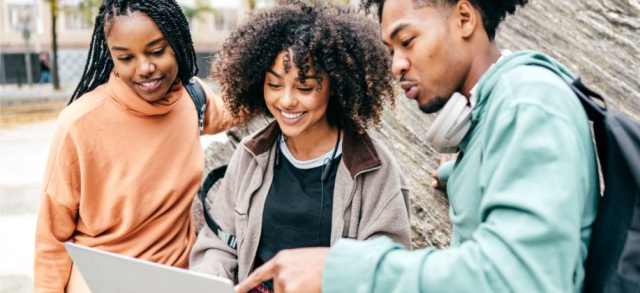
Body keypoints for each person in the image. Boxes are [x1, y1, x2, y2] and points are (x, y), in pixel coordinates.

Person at [236, 0, 600, 292]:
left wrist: (339, 271)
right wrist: (458, 174)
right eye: (390, 49)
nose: (396, 65)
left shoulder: (529, 104)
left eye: (407, 41)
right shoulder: (497, 119)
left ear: (463, 18)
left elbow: (521, 279)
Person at [189, 2, 411, 292]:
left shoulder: (375, 172)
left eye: (305, 88)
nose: (287, 101)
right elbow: (218, 246)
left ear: (336, 84)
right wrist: (211, 281)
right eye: (274, 85)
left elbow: (385, 274)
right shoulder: (250, 155)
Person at [33, 1, 238, 292]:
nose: (145, 68)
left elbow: (243, 108)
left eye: (156, 51)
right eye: (126, 57)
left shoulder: (192, 100)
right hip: (99, 282)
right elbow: (52, 235)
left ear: (178, 42)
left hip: (176, 280)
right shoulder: (79, 124)